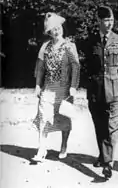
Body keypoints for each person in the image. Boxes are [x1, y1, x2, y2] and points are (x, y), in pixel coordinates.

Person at [82, 6, 118, 179]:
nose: (108, 24)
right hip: (96, 89)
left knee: (111, 126)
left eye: (111, 20)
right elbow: (87, 66)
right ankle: (103, 155)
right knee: (99, 124)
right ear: (99, 21)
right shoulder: (90, 41)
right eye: (105, 20)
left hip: (114, 89)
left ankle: (108, 163)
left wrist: (116, 82)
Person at [33, 12, 80, 162]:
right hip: (48, 87)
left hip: (64, 89)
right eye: (53, 29)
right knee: (43, 117)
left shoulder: (69, 46)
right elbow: (40, 67)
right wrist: (37, 85)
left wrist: (73, 86)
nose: (57, 30)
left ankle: (64, 145)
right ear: (49, 32)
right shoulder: (45, 47)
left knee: (64, 119)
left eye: (58, 27)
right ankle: (42, 149)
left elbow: (76, 67)